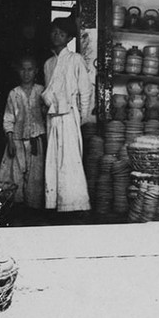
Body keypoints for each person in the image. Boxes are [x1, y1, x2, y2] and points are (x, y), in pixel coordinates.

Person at [42, 17, 93, 212]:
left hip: (70, 116)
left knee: (70, 160)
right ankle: (55, 203)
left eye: (61, 33)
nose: (57, 36)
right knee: (53, 159)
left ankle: (75, 205)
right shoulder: (48, 64)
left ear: (69, 38)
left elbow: (85, 91)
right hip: (53, 117)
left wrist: (81, 117)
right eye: (54, 32)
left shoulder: (75, 59)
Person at [0, 55, 46, 209]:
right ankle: (17, 210)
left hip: (36, 141)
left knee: (35, 177)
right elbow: (8, 118)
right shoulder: (14, 93)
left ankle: (33, 211)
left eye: (30, 70)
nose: (26, 73)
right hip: (17, 141)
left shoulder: (42, 91)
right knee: (15, 176)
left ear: (36, 71)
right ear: (18, 71)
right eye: (23, 70)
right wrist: (10, 140)